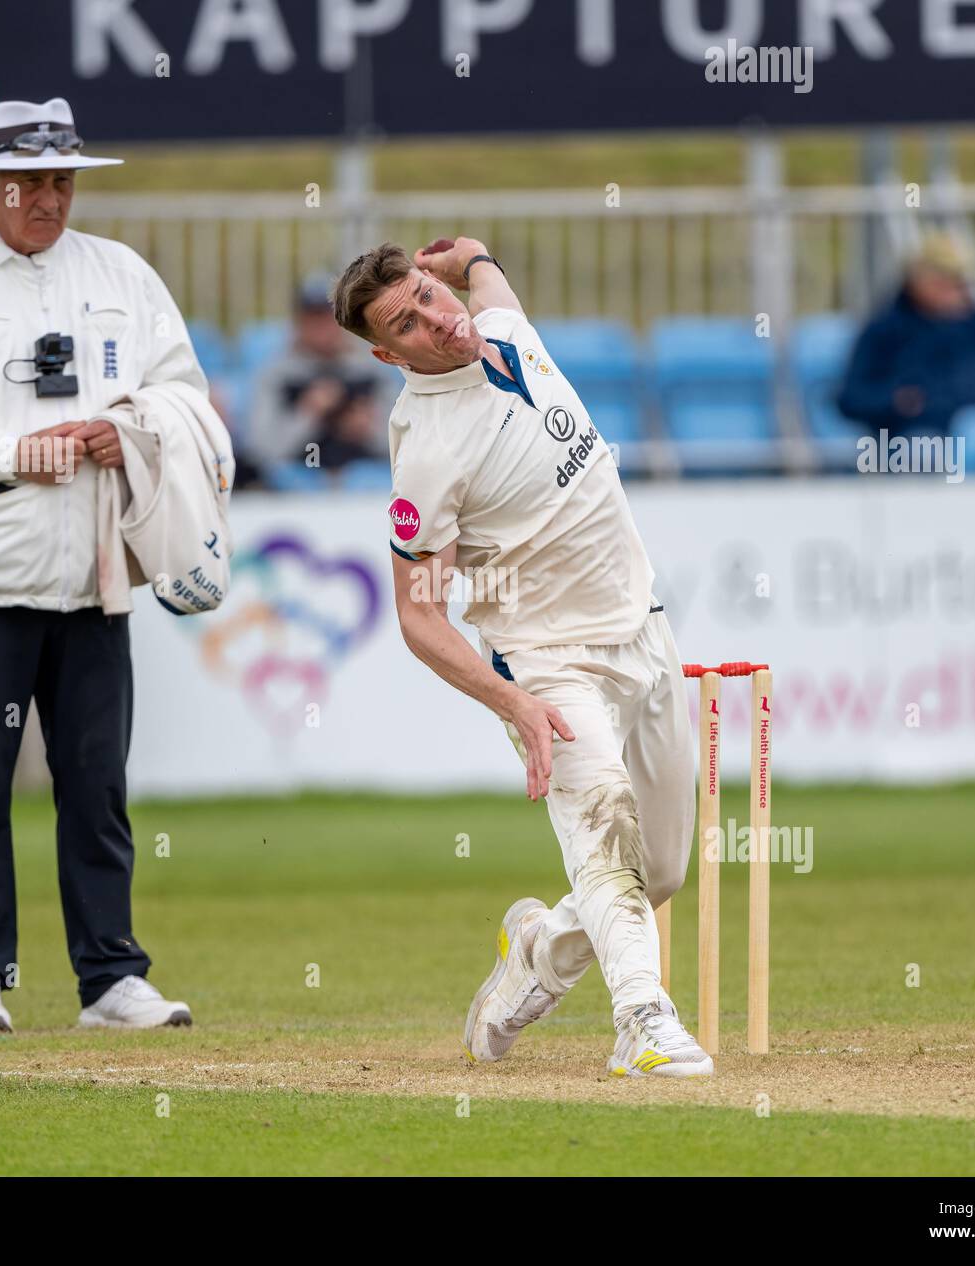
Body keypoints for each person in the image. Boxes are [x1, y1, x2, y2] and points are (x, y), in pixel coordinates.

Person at [332, 238, 709, 1078]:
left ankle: (533, 957)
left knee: (663, 871)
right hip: (546, 660)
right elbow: (418, 618)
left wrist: (474, 256)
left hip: (644, 634)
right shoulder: (426, 448)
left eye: (429, 293)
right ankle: (644, 1025)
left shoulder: (498, 325)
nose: (438, 319)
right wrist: (515, 705)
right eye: (408, 323)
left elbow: (484, 279)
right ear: (385, 354)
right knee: (606, 831)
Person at [0, 97, 200, 1035]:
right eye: (32, 182)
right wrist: (11, 452)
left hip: (93, 575)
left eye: (63, 180)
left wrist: (122, 428)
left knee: (96, 783)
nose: (50, 199)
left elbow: (184, 392)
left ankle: (110, 979)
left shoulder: (121, 274)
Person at [837, 232, 975, 436]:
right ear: (916, 283)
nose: (953, 290)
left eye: (958, 282)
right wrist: (898, 402)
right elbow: (852, 399)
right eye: (942, 281)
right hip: (921, 438)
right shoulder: (885, 329)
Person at [247, 274, 394, 478]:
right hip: (296, 495)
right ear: (298, 322)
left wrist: (367, 429)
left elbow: (405, 446)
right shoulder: (276, 375)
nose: (322, 328)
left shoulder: (371, 370)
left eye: (329, 317)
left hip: (365, 495)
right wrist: (308, 414)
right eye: (312, 318)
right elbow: (261, 451)